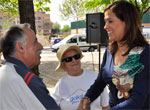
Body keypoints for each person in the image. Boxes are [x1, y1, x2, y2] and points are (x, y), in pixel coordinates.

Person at [78, 1, 150, 110]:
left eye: (110, 21)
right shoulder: (109, 52)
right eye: (105, 22)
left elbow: (138, 100)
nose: (105, 27)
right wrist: (88, 97)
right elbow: (100, 81)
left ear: (127, 22)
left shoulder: (145, 54)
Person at [0, 24, 59, 110]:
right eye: (35, 42)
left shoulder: (4, 72)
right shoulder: (26, 80)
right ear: (20, 47)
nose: (41, 46)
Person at [52, 45, 109, 110]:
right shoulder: (60, 85)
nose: (74, 60)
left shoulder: (95, 77)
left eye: (76, 57)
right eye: (68, 59)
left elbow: (106, 106)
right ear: (63, 65)